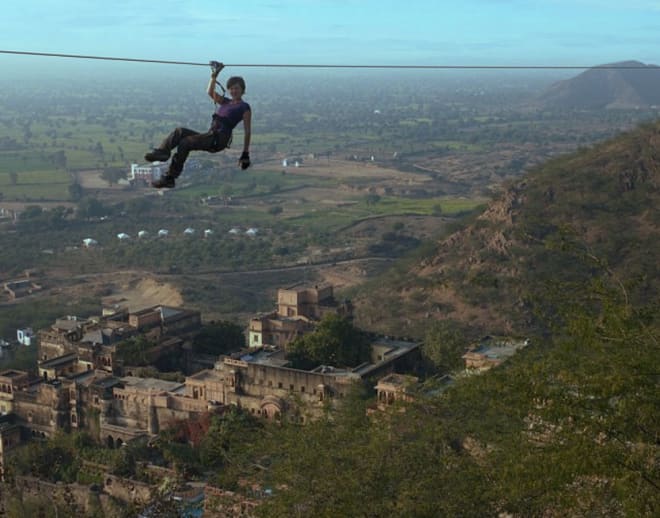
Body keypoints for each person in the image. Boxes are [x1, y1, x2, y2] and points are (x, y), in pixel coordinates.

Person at [145, 62, 252, 188]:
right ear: (229, 89)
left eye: (237, 88)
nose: (234, 91)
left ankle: (170, 177)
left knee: (185, 143)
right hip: (210, 135)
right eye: (232, 88)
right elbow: (210, 92)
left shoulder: (244, 107)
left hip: (219, 139)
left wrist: (245, 153)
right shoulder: (226, 102)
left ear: (242, 90)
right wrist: (214, 76)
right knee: (179, 131)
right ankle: (163, 152)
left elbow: (247, 131)